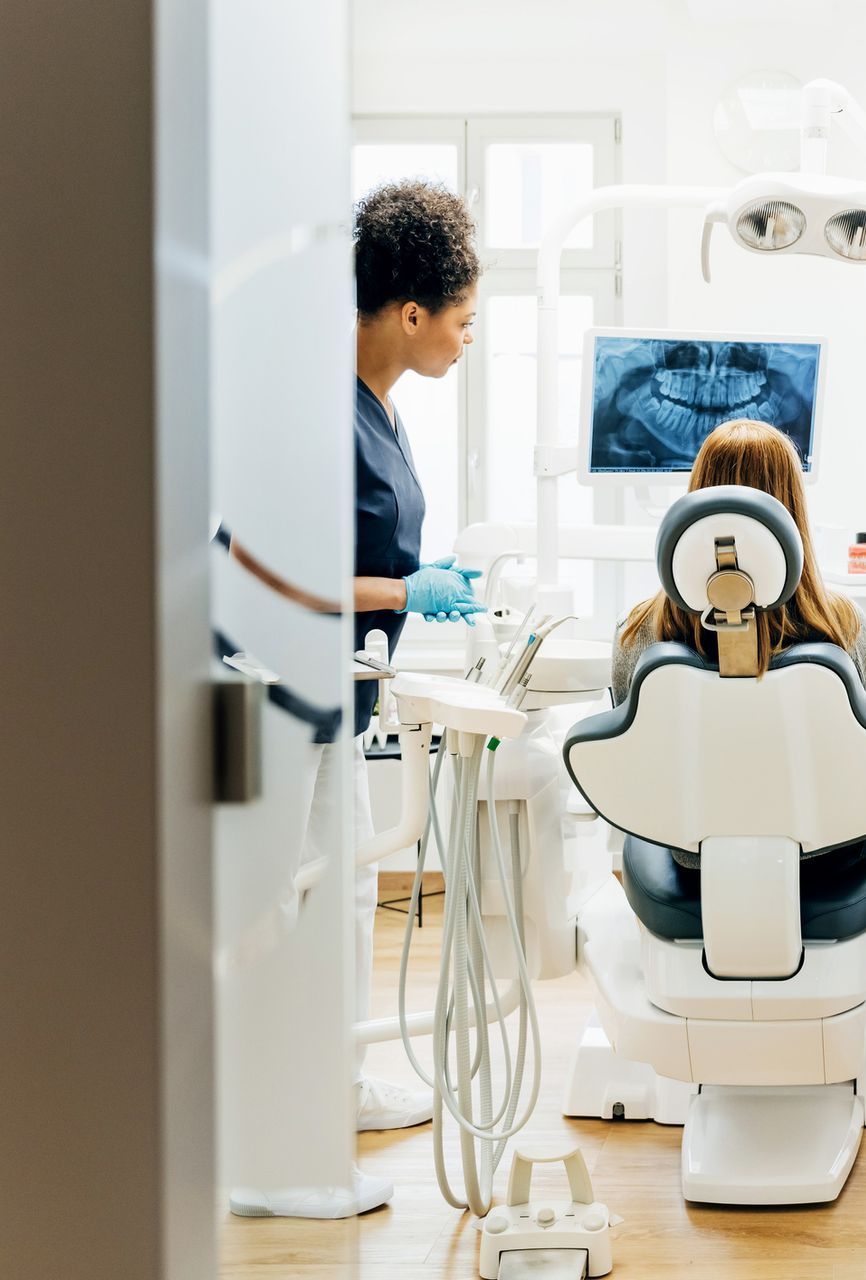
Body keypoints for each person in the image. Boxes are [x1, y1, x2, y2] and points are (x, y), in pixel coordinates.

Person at [228, 179, 485, 1221]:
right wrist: (401, 590)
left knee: (336, 898)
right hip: (278, 686)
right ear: (410, 312)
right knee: (276, 909)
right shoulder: (308, 404)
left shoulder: (379, 403)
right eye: (462, 321)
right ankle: (266, 1153)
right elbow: (252, 560)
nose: (468, 341)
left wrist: (415, 589)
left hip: (345, 688)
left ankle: (329, 1088)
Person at [612, 418, 866, 868]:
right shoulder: (842, 626)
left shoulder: (639, 630)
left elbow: (635, 760)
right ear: (792, 510)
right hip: (831, 850)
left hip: (693, 856)